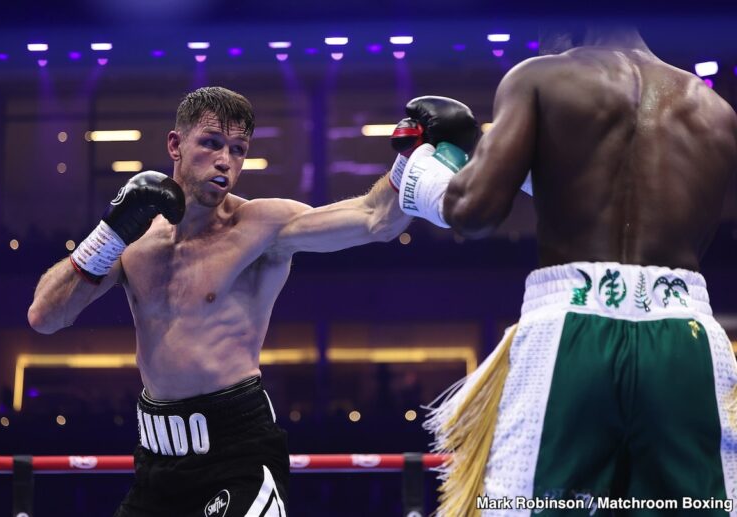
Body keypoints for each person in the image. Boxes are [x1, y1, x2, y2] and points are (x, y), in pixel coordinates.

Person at [27, 86, 479, 517]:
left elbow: (375, 218)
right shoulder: (135, 239)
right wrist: (110, 232)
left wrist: (411, 157)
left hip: (237, 455)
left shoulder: (261, 227)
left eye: (238, 150)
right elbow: (45, 316)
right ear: (175, 145)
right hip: (156, 464)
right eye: (211, 143)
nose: (225, 161)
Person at [398, 23, 737, 516]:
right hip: (688, 338)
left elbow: (473, 212)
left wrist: (421, 166)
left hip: (573, 330)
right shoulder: (716, 111)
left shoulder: (541, 77)